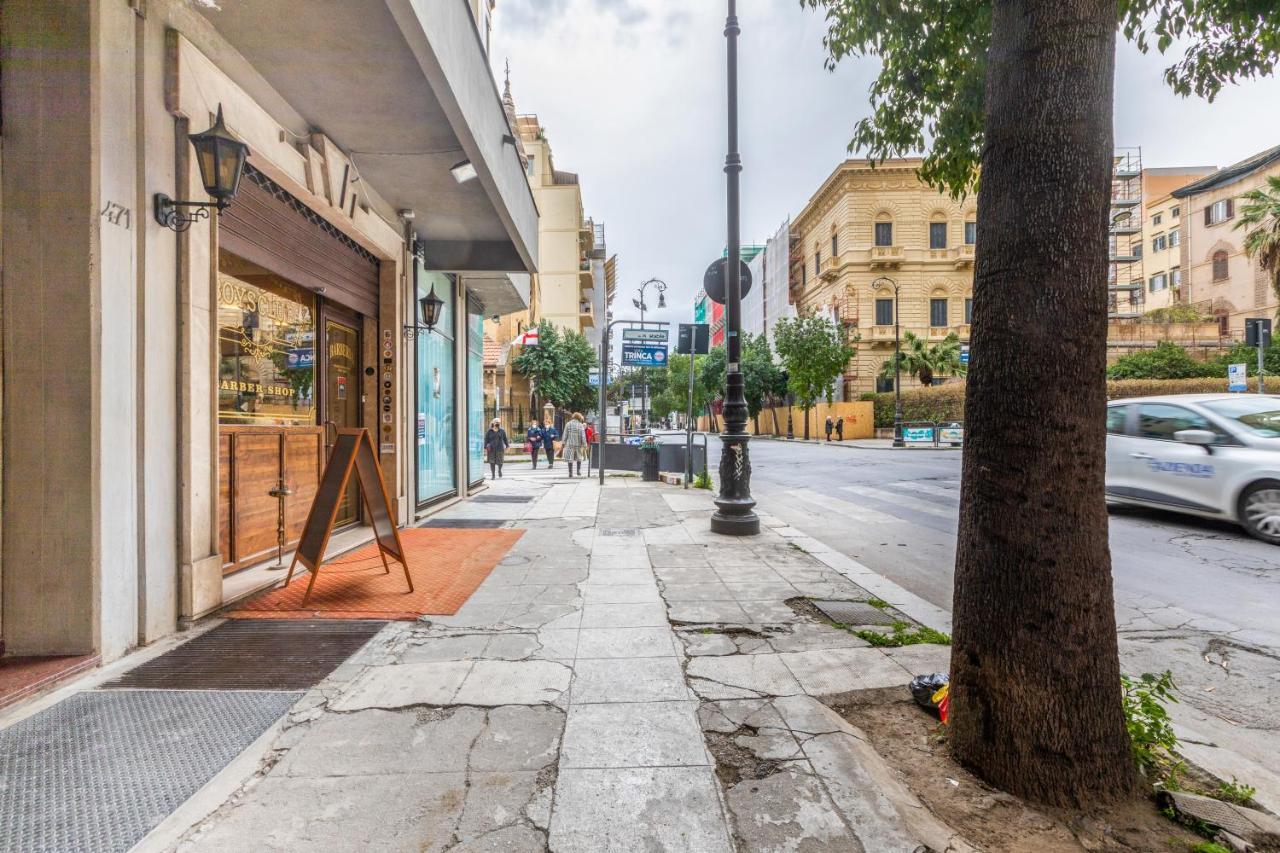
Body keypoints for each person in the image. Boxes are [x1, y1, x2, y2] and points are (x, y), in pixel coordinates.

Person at [561, 412, 589, 478]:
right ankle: (578, 471)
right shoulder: (580, 425)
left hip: (569, 444)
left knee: (570, 458)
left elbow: (565, 434)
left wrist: (563, 442)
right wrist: (585, 444)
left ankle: (570, 472)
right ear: (579, 418)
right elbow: (583, 436)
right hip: (578, 444)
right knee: (579, 458)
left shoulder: (568, 424)